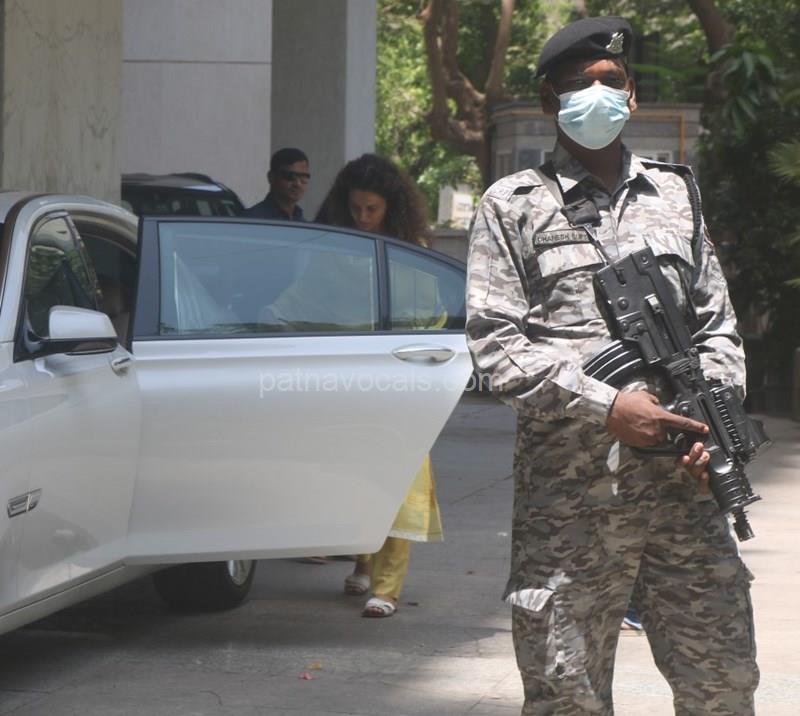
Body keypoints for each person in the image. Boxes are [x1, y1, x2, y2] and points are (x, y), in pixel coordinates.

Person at [465, 16, 757, 716]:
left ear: (631, 94)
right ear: (549, 99)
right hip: (571, 505)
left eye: (612, 81)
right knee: (567, 694)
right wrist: (606, 406)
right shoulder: (514, 206)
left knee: (723, 685)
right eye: (580, 83)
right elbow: (494, 345)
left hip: (685, 498)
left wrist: (712, 416)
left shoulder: (676, 195)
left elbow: (717, 326)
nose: (599, 93)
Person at [316, 153, 444, 618]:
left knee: (399, 481)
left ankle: (387, 588)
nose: (363, 217)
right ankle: (363, 561)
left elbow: (433, 316)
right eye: (355, 208)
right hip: (347, 382)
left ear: (392, 206)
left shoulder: (413, 252)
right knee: (355, 478)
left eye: (372, 209)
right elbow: (302, 300)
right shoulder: (333, 250)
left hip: (399, 381)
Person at [241, 147, 309, 220]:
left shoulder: (301, 221)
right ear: (271, 177)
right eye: (290, 176)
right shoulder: (251, 220)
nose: (298, 184)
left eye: (303, 177)